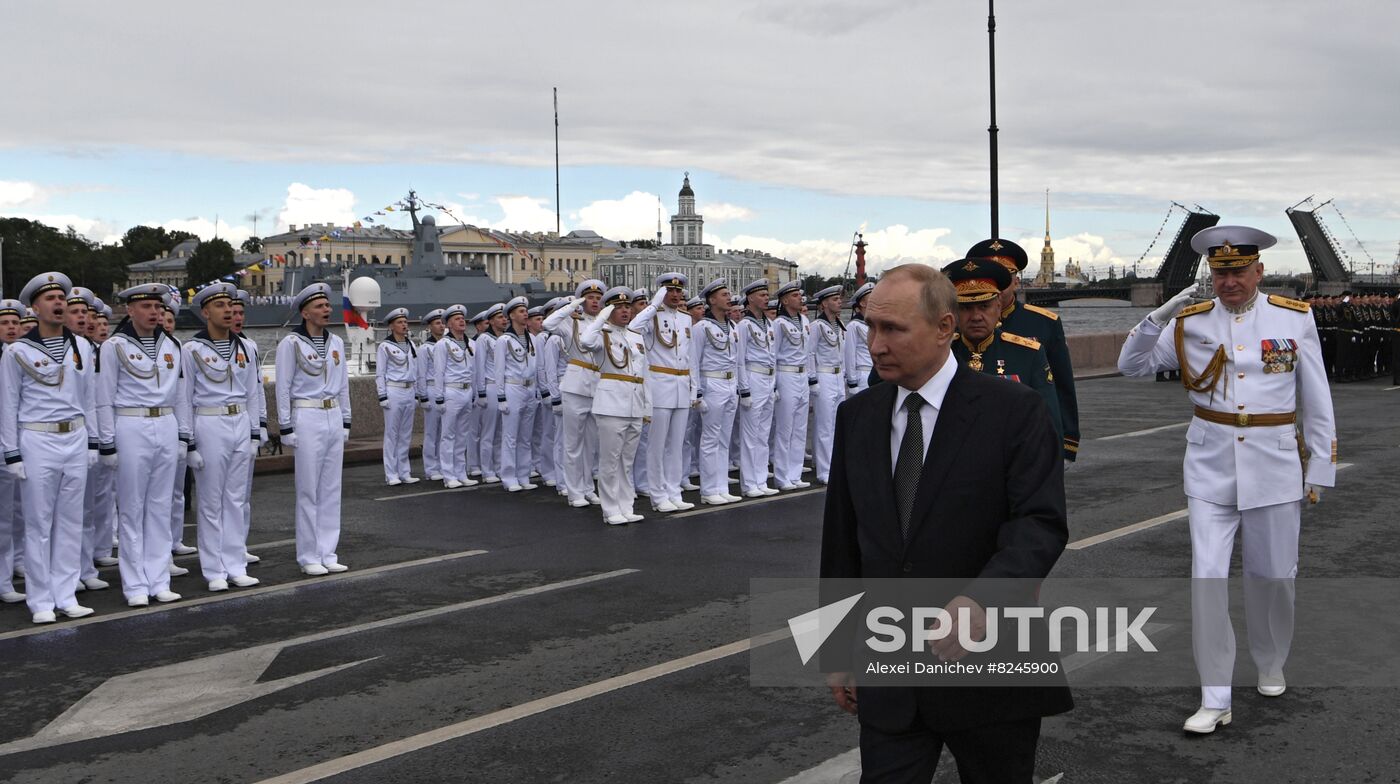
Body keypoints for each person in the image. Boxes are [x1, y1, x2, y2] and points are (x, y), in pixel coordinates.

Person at [820, 263, 1071, 782]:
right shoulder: (858, 416)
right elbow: (842, 542)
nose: (875, 344)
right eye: (869, 327)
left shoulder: (1013, 411)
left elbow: (1039, 524)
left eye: (892, 329)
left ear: (943, 328)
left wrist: (984, 599)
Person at [1118, 225, 1336, 734]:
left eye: (1239, 271)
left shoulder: (1293, 318)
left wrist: (1320, 466)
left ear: (1258, 271)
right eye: (1220, 273)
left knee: (1274, 578)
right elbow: (1131, 366)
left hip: (1276, 463)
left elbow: (1317, 397)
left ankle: (1270, 659)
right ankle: (1215, 696)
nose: (1229, 281)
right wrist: (1158, 315)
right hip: (1210, 466)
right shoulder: (1189, 325)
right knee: (1207, 580)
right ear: (1210, 275)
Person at [1, 273, 101, 623]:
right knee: (39, 524)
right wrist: (11, 453)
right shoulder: (17, 352)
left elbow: (89, 399)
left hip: (74, 436)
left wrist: (92, 441)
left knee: (71, 521)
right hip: (37, 438)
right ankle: (41, 600)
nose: (58, 303)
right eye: (50, 299)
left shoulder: (83, 347)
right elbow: (8, 405)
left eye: (61, 298)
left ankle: (66, 592)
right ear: (35, 307)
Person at [96, 284, 191, 607]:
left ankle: (158, 578)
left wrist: (183, 435)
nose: (154, 312)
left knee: (160, 507)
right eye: (147, 306)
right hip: (131, 423)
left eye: (157, 306)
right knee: (133, 508)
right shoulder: (114, 346)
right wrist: (107, 442)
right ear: (130, 311)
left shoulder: (172, 345)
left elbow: (181, 395)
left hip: (164, 423)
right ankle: (135, 583)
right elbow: (103, 398)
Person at [967, 239, 1081, 462]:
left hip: (1027, 437)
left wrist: (1067, 444)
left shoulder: (1044, 323)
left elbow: (1063, 385)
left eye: (1004, 279)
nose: (998, 287)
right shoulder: (959, 326)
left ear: (1016, 282)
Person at [180, 283, 262, 592]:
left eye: (230, 305)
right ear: (205, 312)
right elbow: (184, 398)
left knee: (236, 499)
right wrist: (188, 442)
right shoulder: (192, 350)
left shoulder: (247, 347)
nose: (228, 310)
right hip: (210, 422)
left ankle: (235, 564)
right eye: (220, 306)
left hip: (239, 420)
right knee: (211, 501)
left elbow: (253, 393)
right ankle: (214, 569)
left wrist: (254, 432)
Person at [275, 283, 352, 576]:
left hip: (332, 414)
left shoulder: (336, 343)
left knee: (332, 488)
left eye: (327, 306)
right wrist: (285, 426)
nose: (327, 310)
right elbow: (282, 387)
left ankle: (328, 551)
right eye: (320, 307)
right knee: (308, 490)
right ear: (305, 312)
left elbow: (343, 384)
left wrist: (346, 420)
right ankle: (308, 555)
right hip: (307, 415)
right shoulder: (291, 344)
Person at [944, 258, 1062, 442]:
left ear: (998, 306)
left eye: (984, 306)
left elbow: (1048, 420)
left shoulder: (1028, 354)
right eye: (966, 308)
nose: (976, 317)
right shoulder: (942, 353)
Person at [579, 286, 651, 525]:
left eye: (627, 307)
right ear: (608, 310)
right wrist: (601, 316)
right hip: (611, 405)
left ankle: (626, 505)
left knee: (627, 461)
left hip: (634, 403)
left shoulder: (635, 336)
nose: (624, 311)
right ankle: (610, 510)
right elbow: (585, 341)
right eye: (618, 307)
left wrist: (647, 408)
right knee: (610, 461)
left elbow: (645, 375)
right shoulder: (601, 334)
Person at [629, 275, 696, 513]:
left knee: (676, 445)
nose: (676, 296)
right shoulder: (650, 317)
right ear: (661, 293)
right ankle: (658, 495)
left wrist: (693, 388)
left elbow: (691, 357)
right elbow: (633, 328)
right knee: (657, 445)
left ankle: (674, 491)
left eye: (679, 291)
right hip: (659, 384)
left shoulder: (686, 319)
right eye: (670, 291)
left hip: (681, 383)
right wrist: (653, 305)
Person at [543, 280, 606, 507]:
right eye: (590, 297)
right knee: (572, 443)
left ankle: (588, 487)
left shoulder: (604, 324)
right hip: (576, 384)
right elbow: (548, 324)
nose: (595, 301)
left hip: (598, 385)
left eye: (598, 298)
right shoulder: (571, 323)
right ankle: (574, 491)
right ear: (582, 300)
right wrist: (571, 306)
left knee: (591, 443)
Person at [692, 280, 743, 506]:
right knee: (710, 439)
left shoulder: (732, 327)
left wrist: (740, 388)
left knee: (724, 439)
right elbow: (693, 361)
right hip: (712, 383)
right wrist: (698, 393)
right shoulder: (702, 328)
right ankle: (709, 489)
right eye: (724, 294)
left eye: (729, 293)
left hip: (730, 385)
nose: (728, 297)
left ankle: (721, 486)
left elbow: (737, 361)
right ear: (712, 300)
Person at [231, 290, 267, 566]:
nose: (237, 317)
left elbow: (257, 391)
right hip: (216, 424)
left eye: (241, 313)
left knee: (242, 494)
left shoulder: (250, 347)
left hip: (245, 423)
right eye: (232, 311)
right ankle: (223, 551)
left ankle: (238, 545)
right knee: (220, 497)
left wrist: (260, 427)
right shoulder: (198, 348)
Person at [735, 279, 778, 497]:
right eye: (762, 295)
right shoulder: (744, 325)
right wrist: (744, 389)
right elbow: (740, 359)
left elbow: (774, 357)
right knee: (750, 435)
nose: (766, 298)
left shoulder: (769, 324)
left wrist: (775, 384)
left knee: (763, 433)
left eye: (766, 295)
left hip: (768, 380)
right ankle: (749, 483)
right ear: (750, 298)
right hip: (753, 377)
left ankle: (761, 479)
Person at [493, 296, 539, 492]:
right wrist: (501, 396)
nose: (525, 313)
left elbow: (537, 366)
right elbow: (498, 370)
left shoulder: (533, 339)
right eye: (520, 311)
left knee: (525, 436)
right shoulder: (504, 340)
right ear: (511, 315)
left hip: (530, 388)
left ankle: (523, 474)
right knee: (510, 436)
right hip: (513, 388)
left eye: (525, 310)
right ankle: (509, 476)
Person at [769, 280, 812, 493]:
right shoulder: (779, 324)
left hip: (802, 376)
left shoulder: (804, 320)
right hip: (786, 374)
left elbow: (809, 351)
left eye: (799, 295)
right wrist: (774, 385)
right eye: (794, 296)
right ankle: (782, 475)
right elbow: (773, 355)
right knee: (785, 429)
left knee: (800, 428)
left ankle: (795, 473)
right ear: (785, 300)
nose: (800, 298)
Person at [0, 299, 28, 605]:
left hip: (12, 443)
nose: (11, 328)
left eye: (14, 323)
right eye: (5, 323)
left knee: (7, 517)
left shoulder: (22, 357)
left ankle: (4, 579)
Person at [375, 307, 424, 486]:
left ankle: (404, 471)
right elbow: (380, 373)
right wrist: (382, 395)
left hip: (409, 391)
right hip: (394, 391)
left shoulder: (411, 345)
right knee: (392, 434)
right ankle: (391, 473)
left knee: (405, 434)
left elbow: (416, 371)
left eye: (405, 322)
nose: (404, 325)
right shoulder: (385, 346)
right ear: (391, 326)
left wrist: (417, 393)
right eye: (400, 323)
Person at [433, 305, 479, 489]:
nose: (462, 321)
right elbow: (438, 372)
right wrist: (439, 398)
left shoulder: (470, 344)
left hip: (467, 391)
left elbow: (474, 371)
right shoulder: (443, 344)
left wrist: (475, 393)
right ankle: (448, 475)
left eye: (462, 318)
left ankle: (461, 472)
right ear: (448, 324)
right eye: (457, 318)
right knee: (448, 435)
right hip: (451, 391)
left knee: (462, 435)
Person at [808, 285, 845, 484]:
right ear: (824, 304)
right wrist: (813, 380)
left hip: (838, 377)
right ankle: (824, 470)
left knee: (836, 425)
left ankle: (835, 465)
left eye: (839, 299)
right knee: (824, 425)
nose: (839, 302)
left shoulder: (838, 325)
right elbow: (810, 353)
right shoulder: (817, 326)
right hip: (824, 376)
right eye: (834, 299)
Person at [528, 304, 558, 488]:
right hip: (548, 390)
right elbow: (541, 367)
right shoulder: (543, 338)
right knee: (547, 433)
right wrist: (546, 391)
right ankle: (547, 470)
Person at [475, 304, 505, 484]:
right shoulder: (484, 339)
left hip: (505, 387)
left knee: (502, 432)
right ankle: (487, 470)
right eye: (500, 317)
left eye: (504, 317)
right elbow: (479, 366)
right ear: (491, 321)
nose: (504, 320)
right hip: (491, 386)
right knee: (489, 432)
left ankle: (500, 466)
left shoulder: (508, 338)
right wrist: (481, 392)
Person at [418, 308, 446, 481]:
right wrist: (423, 396)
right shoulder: (424, 348)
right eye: (437, 323)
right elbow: (421, 373)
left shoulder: (448, 345)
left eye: (443, 323)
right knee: (431, 431)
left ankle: (443, 464)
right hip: (431, 388)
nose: (441, 326)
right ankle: (430, 467)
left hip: (445, 390)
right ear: (430, 326)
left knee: (445, 432)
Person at [843, 282, 875, 396]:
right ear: (862, 303)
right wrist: (852, 382)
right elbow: (849, 354)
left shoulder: (875, 324)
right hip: (863, 374)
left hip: (877, 373)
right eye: (871, 296)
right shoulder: (853, 326)